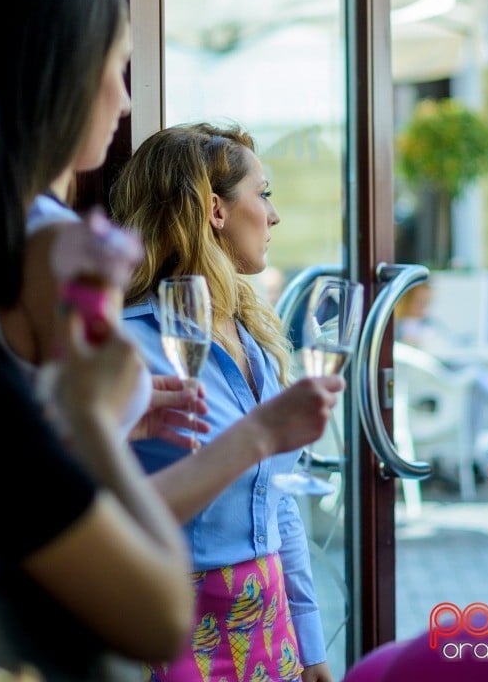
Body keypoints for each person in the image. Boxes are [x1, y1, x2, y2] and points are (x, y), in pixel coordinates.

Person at [0, 0, 342, 679]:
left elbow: (49, 465)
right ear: (66, 78)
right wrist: (255, 432)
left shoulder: (13, 237)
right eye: (118, 66)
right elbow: (141, 580)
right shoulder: (61, 254)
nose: (125, 99)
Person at [109, 122, 334, 682]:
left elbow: (278, 503)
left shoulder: (255, 337)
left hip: (268, 622)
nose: (274, 215)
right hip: (168, 624)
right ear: (215, 210)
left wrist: (310, 645)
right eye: (264, 194)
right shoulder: (121, 346)